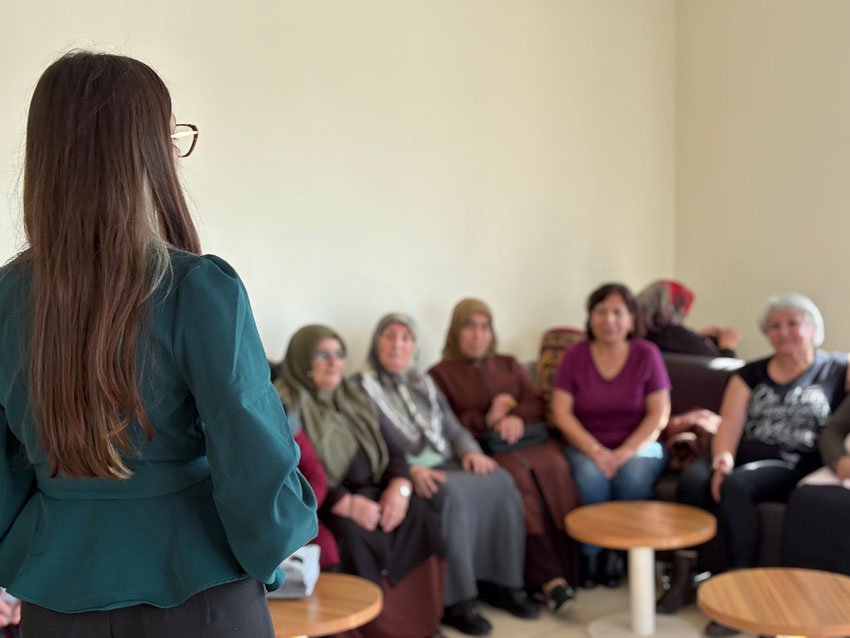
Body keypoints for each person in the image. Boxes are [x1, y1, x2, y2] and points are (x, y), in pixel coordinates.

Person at [0, 51, 317, 638]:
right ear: (140, 152)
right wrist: (273, 549)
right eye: (170, 134)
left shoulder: (5, 298)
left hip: (59, 594)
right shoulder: (198, 289)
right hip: (201, 590)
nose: (176, 150)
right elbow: (254, 458)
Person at [357, 313, 534, 635]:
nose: (398, 344)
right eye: (389, 336)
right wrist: (409, 471)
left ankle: (503, 583)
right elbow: (373, 441)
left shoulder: (424, 381)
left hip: (447, 460)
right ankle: (458, 601)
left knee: (502, 481)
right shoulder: (361, 387)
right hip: (411, 470)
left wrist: (470, 452)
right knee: (451, 495)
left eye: (406, 338)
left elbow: (452, 426)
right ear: (376, 342)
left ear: (414, 345)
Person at [685, 293, 849, 637]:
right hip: (745, 454)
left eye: (793, 323)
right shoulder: (749, 373)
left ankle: (741, 586)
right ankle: (687, 575)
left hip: (796, 463)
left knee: (738, 485)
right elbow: (729, 425)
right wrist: (722, 459)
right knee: (694, 480)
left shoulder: (837, 368)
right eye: (775, 326)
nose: (784, 331)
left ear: (814, 329)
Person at [276, 325, 446, 638]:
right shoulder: (287, 405)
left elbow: (395, 450)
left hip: (377, 491)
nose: (334, 362)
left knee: (420, 514)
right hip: (329, 503)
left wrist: (400, 488)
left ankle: (423, 624)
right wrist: (345, 503)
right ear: (302, 361)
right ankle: (379, 629)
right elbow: (295, 475)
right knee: (353, 536)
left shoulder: (353, 395)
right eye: (322, 355)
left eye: (339, 354)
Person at [429, 299, 579, 614]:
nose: (478, 335)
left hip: (529, 442)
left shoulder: (508, 364)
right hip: (486, 449)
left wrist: (516, 418)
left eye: (484, 327)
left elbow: (536, 402)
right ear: (456, 332)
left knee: (557, 466)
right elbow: (444, 423)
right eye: (469, 327)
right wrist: (486, 419)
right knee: (518, 481)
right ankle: (546, 578)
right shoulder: (440, 374)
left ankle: (575, 569)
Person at [550, 283, 671, 589]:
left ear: (632, 319)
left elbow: (658, 414)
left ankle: (618, 554)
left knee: (633, 477)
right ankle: (591, 554)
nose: (609, 320)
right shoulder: (574, 356)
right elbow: (561, 413)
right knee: (590, 478)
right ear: (590, 318)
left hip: (640, 444)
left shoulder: (647, 354)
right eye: (601, 311)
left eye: (618, 312)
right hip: (585, 444)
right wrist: (595, 451)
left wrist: (625, 452)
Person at [636, 279, 740, 358]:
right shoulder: (674, 336)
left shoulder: (635, 339)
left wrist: (696, 338)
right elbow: (724, 372)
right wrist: (728, 346)